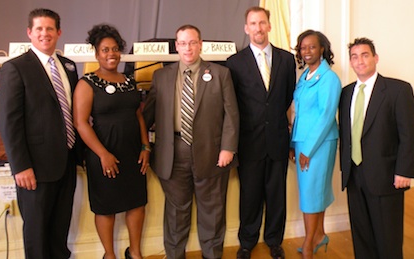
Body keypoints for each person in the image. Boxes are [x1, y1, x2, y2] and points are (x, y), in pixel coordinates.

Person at [142, 24, 239, 259]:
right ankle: (175, 255)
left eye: (192, 42)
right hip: (172, 153)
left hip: (212, 153)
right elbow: (147, 115)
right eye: (183, 43)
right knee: (176, 212)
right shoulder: (161, 76)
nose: (188, 48)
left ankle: (212, 255)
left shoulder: (220, 73)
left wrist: (228, 147)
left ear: (200, 44)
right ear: (176, 46)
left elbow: (231, 114)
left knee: (213, 211)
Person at [0, 8, 80, 259]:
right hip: (34, 167)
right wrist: (20, 166)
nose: (45, 34)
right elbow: (10, 122)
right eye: (39, 29)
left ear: (59, 32)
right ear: (30, 33)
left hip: (67, 161)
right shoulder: (15, 68)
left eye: (50, 29)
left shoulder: (68, 66)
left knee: (59, 228)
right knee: (36, 231)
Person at [73, 24, 150, 259]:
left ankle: (135, 252)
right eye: (105, 50)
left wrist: (146, 146)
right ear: (96, 54)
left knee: (137, 203)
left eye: (115, 49)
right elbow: (81, 123)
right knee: (106, 208)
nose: (111, 54)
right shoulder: (87, 83)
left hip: (132, 153)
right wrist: (103, 154)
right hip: (103, 155)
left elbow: (137, 115)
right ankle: (110, 255)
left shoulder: (129, 80)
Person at [339, 37, 414, 259]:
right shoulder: (346, 93)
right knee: (361, 235)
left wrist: (404, 170)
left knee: (388, 238)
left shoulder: (398, 90)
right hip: (353, 174)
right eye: (354, 57)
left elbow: (410, 134)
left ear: (375, 58)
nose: (359, 61)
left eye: (365, 55)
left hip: (386, 175)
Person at [226, 6, 296, 259]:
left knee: (277, 195)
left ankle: (274, 241)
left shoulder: (287, 60)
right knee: (250, 195)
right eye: (253, 24)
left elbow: (287, 97)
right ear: (246, 28)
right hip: (249, 142)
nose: (258, 28)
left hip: (277, 139)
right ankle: (247, 242)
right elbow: (232, 104)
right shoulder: (234, 63)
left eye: (262, 23)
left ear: (269, 26)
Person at [290, 30, 341, 259]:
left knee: (312, 193)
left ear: (322, 49)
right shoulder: (305, 77)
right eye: (303, 47)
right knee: (313, 192)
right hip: (302, 142)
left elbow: (326, 116)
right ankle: (319, 234)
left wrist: (307, 149)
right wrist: (294, 144)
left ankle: (309, 242)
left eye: (312, 47)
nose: (307, 51)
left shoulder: (329, 78)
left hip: (319, 144)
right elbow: (299, 114)